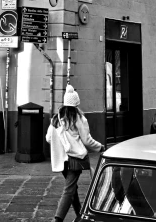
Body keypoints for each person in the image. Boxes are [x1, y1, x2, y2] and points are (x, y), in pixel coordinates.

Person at [46, 84, 103, 222]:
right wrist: (100, 147)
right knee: (69, 190)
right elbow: (87, 140)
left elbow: (48, 138)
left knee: (72, 188)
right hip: (75, 159)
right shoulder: (79, 118)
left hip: (61, 160)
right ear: (76, 103)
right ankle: (58, 219)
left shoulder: (55, 119)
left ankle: (80, 216)